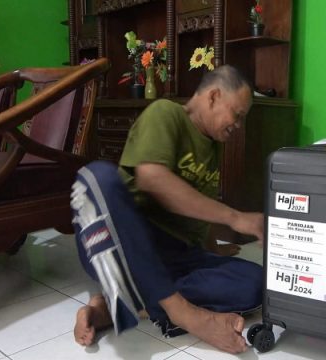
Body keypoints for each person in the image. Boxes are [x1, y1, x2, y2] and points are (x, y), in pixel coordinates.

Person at [70, 65, 264, 354]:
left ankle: (123, 305)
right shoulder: (166, 113)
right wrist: (236, 218)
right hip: (126, 245)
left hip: (175, 256)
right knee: (98, 176)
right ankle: (182, 312)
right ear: (213, 97)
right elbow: (152, 179)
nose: (238, 125)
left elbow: (196, 210)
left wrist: (212, 253)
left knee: (256, 283)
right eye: (237, 115)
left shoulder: (212, 147)